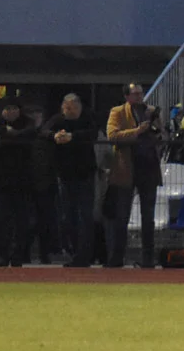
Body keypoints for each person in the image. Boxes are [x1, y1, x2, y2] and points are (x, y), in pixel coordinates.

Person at [105, 84, 163, 269]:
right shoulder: (118, 112)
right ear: (127, 96)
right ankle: (116, 258)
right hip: (127, 169)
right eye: (135, 94)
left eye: (141, 93)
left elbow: (161, 136)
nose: (139, 97)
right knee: (122, 216)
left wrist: (157, 127)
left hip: (148, 169)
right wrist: (137, 131)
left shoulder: (151, 111)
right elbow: (112, 135)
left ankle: (148, 259)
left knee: (149, 218)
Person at [42, 94, 98, 267]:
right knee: (68, 217)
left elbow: (93, 133)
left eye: (73, 108)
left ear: (80, 107)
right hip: (65, 176)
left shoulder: (88, 118)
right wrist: (54, 136)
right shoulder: (57, 120)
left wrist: (73, 136)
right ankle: (73, 252)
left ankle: (86, 255)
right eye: (67, 108)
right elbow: (43, 131)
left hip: (85, 175)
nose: (70, 111)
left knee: (85, 217)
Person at [0, 97, 38, 267]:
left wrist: (8, 136)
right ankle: (2, 254)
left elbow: (32, 132)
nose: (11, 111)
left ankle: (18, 255)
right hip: (0, 180)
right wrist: (4, 131)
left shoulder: (27, 122)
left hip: (23, 180)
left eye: (14, 108)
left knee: (22, 220)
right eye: (7, 108)